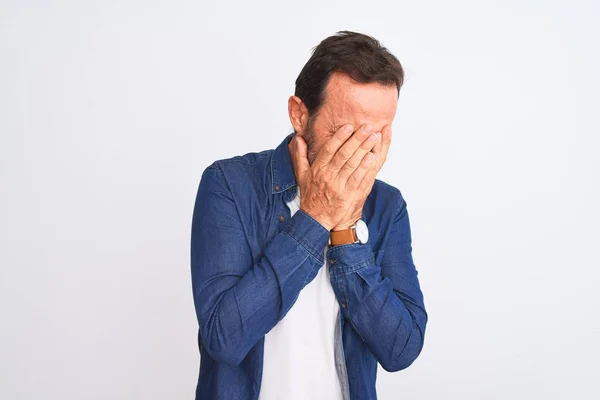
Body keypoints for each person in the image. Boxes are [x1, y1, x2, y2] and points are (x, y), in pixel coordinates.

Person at [190, 30, 428, 400]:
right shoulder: (229, 186)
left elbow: (401, 350)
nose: (361, 153)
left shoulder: (387, 207)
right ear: (300, 115)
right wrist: (315, 217)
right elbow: (224, 339)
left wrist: (346, 232)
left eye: (377, 135)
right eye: (346, 133)